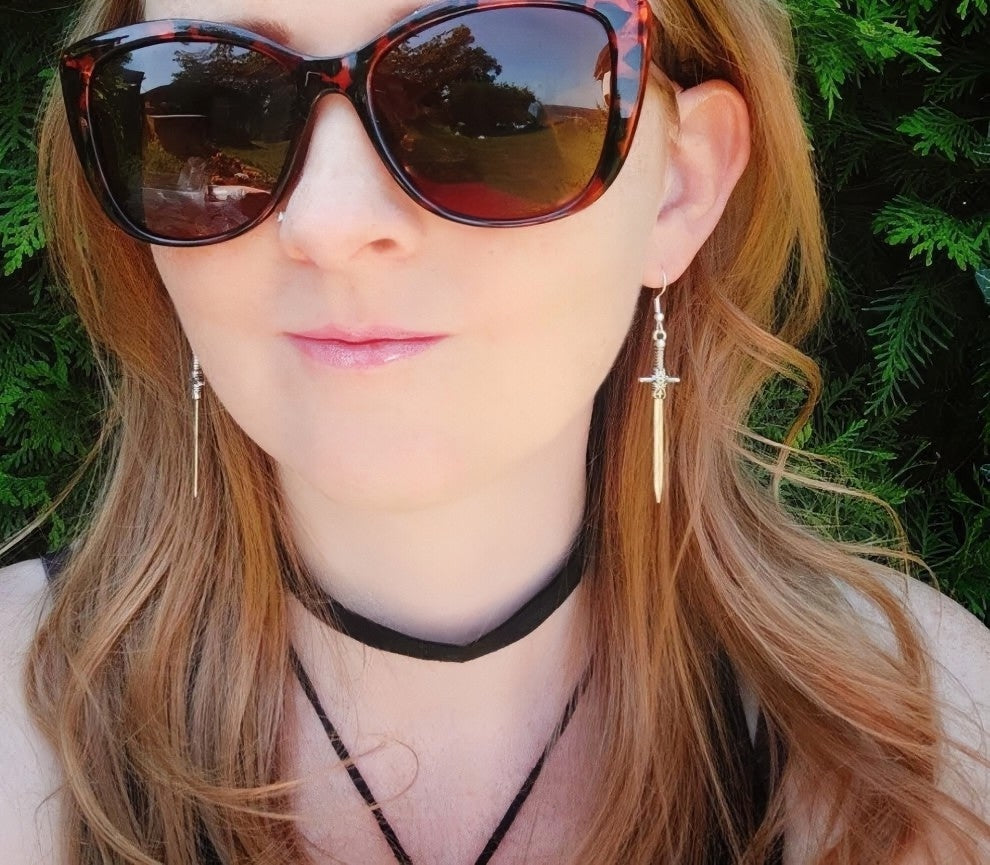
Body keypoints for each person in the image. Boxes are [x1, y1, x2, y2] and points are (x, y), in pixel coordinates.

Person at [1, 0, 988, 862]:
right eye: (208, 109)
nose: (329, 222)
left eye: (486, 94)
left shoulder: (935, 746)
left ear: (679, 186)